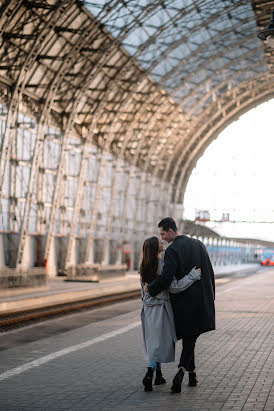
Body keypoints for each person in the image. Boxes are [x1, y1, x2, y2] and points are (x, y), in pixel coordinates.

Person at [145, 217, 215, 393]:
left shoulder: (172, 250)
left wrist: (150, 289)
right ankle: (190, 374)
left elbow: (167, 279)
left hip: (182, 305)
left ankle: (183, 372)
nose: (163, 239)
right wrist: (211, 297)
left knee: (189, 338)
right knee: (191, 338)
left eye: (163, 234)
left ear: (170, 231)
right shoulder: (199, 244)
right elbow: (209, 272)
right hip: (201, 303)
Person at [140, 236, 202, 392]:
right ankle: (149, 374)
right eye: (159, 242)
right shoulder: (163, 266)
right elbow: (174, 287)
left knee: (154, 341)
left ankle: (157, 375)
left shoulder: (143, 266)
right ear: (155, 248)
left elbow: (145, 289)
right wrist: (192, 276)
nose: (163, 243)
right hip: (161, 308)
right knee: (159, 342)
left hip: (147, 309)